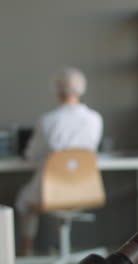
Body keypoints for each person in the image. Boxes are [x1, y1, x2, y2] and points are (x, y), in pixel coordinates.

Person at [15, 67, 103, 255]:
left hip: (52, 189)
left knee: (23, 201)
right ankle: (60, 249)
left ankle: (27, 248)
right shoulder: (95, 119)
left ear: (57, 90)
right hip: (85, 187)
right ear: (81, 89)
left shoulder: (48, 121)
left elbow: (31, 154)